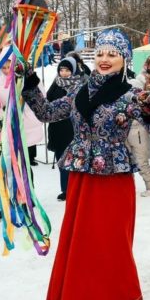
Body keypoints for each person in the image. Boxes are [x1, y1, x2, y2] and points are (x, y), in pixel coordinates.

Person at [22, 29, 150, 300]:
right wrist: (31, 84)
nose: (104, 59)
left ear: (123, 60)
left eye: (112, 54)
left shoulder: (131, 94)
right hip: (81, 175)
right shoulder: (77, 90)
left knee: (113, 243)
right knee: (85, 245)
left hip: (113, 177)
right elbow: (47, 112)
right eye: (100, 53)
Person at [0, 57, 44, 166]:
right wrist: (4, 115)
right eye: (3, 68)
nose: (6, 71)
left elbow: (42, 96)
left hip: (29, 118)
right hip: (11, 121)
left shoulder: (28, 79)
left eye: (9, 67)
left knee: (26, 157)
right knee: (15, 159)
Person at [45, 58, 82, 201]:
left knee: (74, 160)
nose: (64, 73)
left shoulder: (78, 85)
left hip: (72, 127)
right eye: (61, 70)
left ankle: (75, 188)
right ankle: (65, 189)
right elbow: (47, 102)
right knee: (61, 159)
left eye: (67, 70)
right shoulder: (55, 84)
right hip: (57, 128)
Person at [127, 64, 150, 197]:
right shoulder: (127, 102)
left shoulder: (145, 104)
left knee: (142, 162)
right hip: (128, 133)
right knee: (129, 162)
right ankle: (129, 187)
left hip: (139, 133)